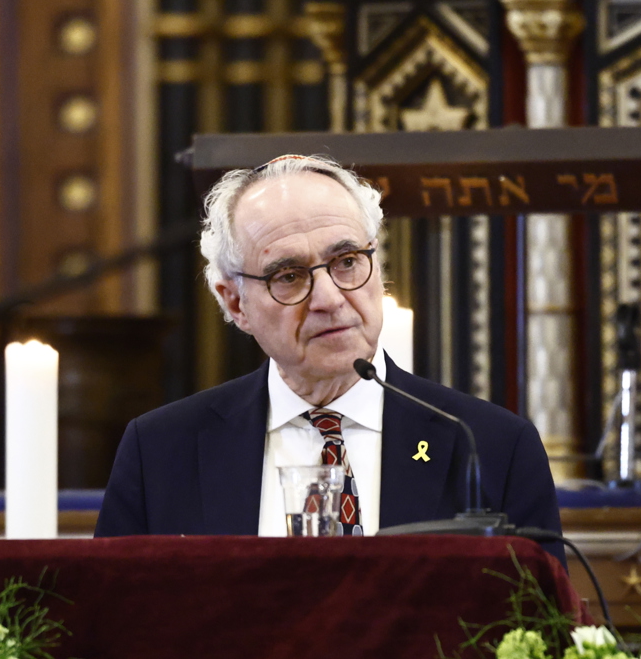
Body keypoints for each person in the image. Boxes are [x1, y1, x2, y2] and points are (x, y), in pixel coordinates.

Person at [94, 154, 561, 546]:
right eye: (289, 276)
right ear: (235, 302)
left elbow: (535, 640)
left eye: (347, 262)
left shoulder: (491, 446)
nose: (330, 298)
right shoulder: (160, 452)